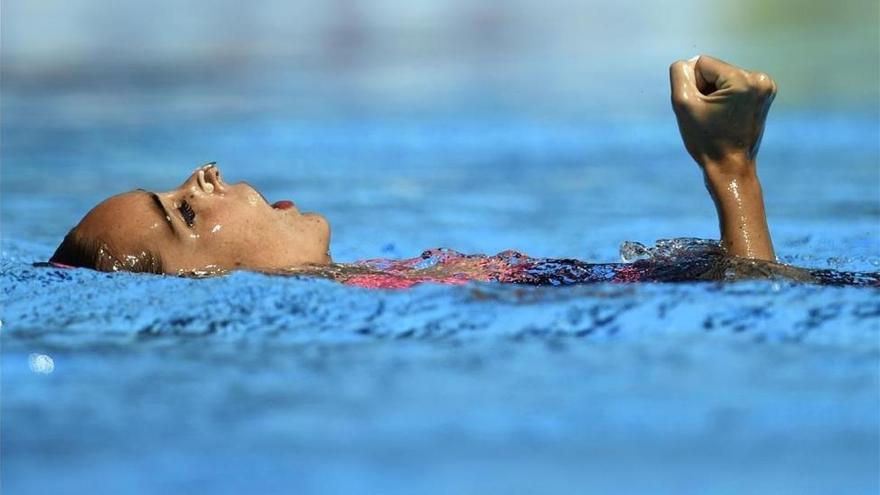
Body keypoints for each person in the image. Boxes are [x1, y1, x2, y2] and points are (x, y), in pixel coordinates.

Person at [46, 56, 877, 287]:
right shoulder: (379, 306)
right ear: (212, 291)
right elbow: (761, 289)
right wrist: (733, 173)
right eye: (182, 216)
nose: (202, 175)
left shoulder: (391, 287)